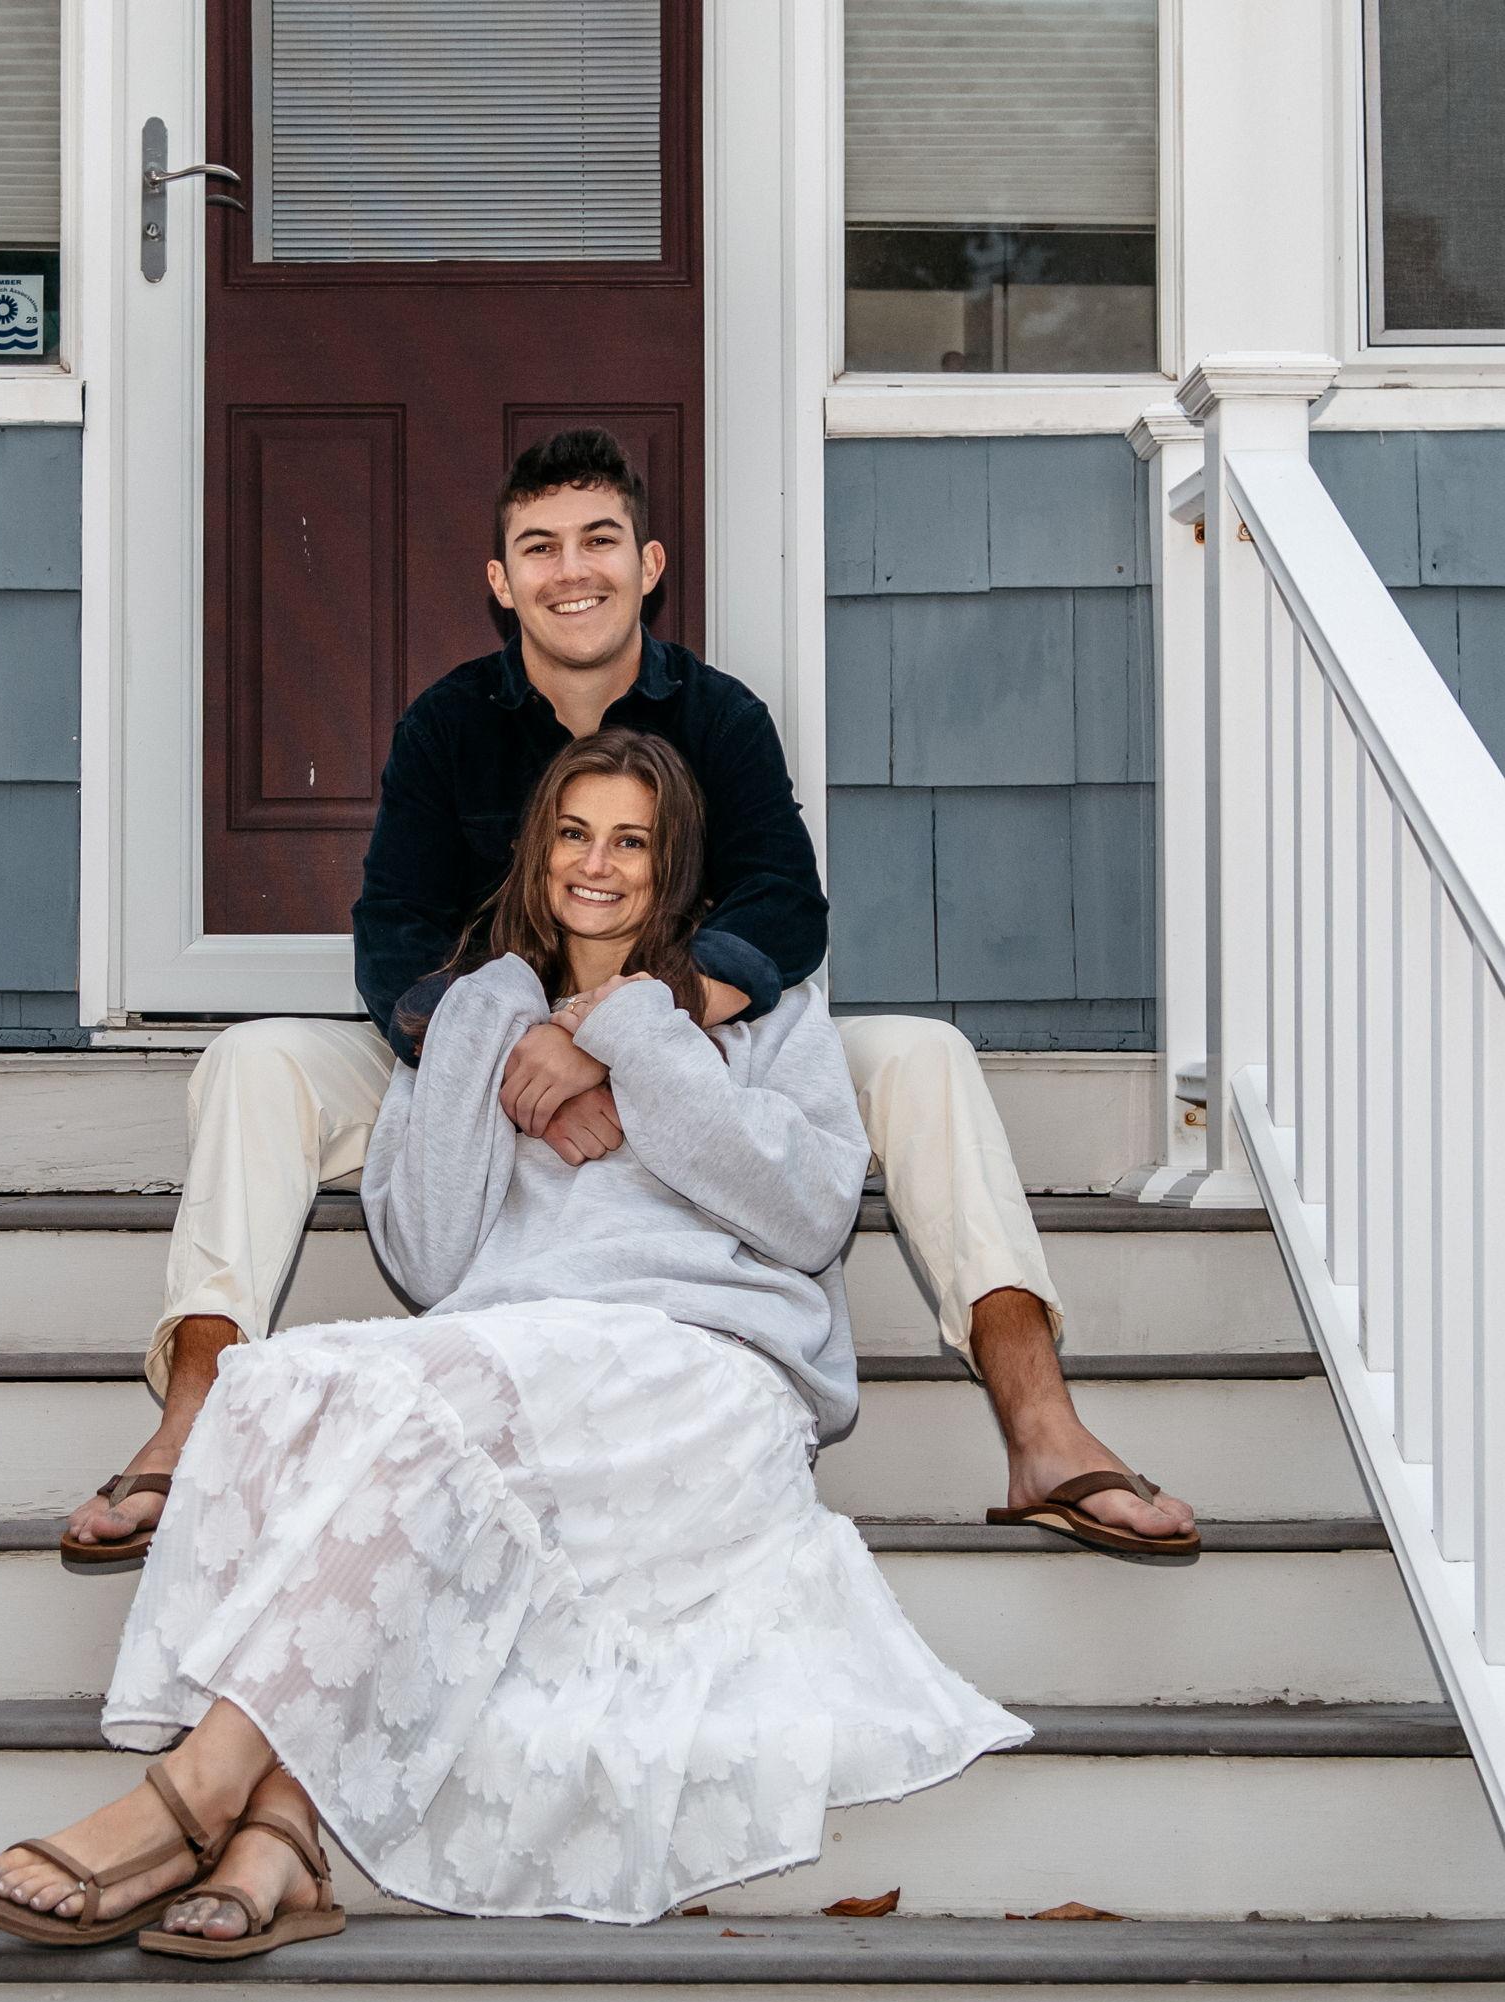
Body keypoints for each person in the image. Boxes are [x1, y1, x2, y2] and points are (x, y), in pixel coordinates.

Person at [0, 731, 1031, 1948]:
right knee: (279, 1382)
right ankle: (280, 1836)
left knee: (423, 1412)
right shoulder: (481, 1008)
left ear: (673, 862)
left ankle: (198, 1789)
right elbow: (427, 1251)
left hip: (695, 1364)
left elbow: (806, 1212)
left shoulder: (762, 1020)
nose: (597, 865)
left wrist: (637, 1032)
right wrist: (485, 1026)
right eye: (574, 833)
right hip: (514, 1354)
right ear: (537, 849)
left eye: (630, 841)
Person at [62, 428, 1199, 1575]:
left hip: (695, 1033)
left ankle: (1040, 1425)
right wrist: (527, 1057)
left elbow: (784, 908)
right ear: (501, 579)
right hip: (482, 1047)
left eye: (598, 539)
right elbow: (394, 940)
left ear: (648, 563)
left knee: (924, 1056)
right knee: (256, 1058)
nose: (572, 569)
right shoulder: (447, 726)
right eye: (540, 546)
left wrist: (612, 1035)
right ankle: (192, 1421)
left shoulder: (720, 716)